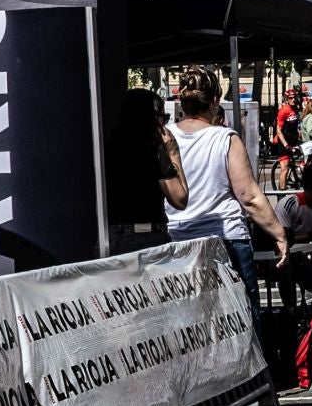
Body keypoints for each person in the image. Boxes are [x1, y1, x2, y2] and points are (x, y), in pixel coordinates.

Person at [166, 67, 288, 311]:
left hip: (179, 241)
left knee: (193, 322)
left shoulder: (167, 138)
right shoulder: (224, 138)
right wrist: (279, 234)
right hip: (226, 241)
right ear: (214, 101)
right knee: (241, 318)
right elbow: (249, 197)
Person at [107, 88, 189, 256]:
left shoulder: (110, 144)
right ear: (151, 118)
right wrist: (173, 154)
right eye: (163, 117)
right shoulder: (153, 149)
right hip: (147, 236)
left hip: (113, 235)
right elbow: (180, 199)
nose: (165, 124)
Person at [276, 162, 312, 317]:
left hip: (299, 260)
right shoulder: (290, 204)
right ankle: (291, 313)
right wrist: (308, 237)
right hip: (278, 259)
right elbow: (282, 237)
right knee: (286, 269)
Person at [272, 86, 303, 190]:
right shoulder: (283, 111)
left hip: (293, 140)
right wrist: (285, 144)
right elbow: (278, 130)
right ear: (286, 99)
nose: (293, 99)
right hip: (284, 142)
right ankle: (281, 193)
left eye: (294, 97)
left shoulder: (296, 109)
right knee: (284, 168)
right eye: (290, 98)